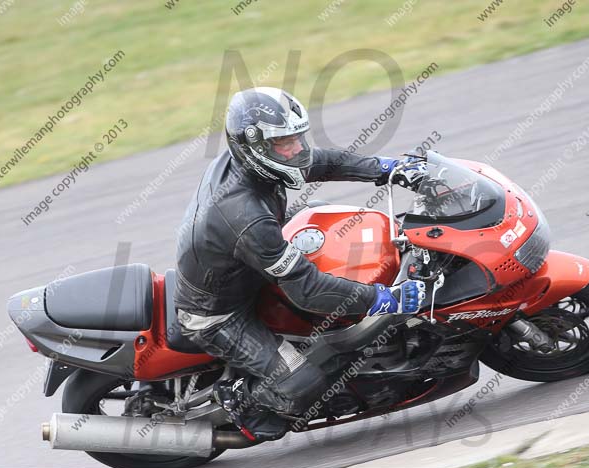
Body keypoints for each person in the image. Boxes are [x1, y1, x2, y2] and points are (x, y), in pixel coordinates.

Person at [174, 87, 424, 441]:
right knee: (303, 382)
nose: (297, 149)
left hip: (241, 267)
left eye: (297, 137)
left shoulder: (251, 164)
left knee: (325, 216)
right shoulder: (245, 215)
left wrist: (388, 168)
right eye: (284, 143)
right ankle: (239, 403)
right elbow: (308, 291)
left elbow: (318, 161)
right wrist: (386, 299)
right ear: (255, 146)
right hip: (217, 314)